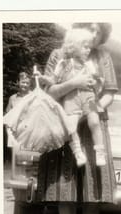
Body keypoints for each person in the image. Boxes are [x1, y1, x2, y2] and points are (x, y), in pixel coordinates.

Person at [37, 23, 118, 214]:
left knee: (93, 188)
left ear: (102, 33)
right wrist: (76, 82)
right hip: (65, 124)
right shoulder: (58, 55)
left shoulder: (102, 56)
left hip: (92, 123)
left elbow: (110, 92)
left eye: (97, 30)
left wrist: (95, 108)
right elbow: (49, 92)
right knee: (66, 186)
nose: (93, 35)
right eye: (89, 28)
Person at [40, 28, 106, 167]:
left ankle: (100, 152)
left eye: (89, 47)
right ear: (75, 47)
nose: (88, 50)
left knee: (94, 121)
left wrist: (96, 83)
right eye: (85, 47)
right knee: (71, 127)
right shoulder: (63, 64)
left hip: (89, 97)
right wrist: (44, 79)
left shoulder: (89, 65)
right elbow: (53, 80)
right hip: (71, 99)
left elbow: (99, 82)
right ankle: (77, 152)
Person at [4, 72, 32, 158]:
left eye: (27, 83)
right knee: (16, 159)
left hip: (29, 132)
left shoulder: (33, 96)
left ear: (30, 84)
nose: (25, 85)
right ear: (18, 82)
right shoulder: (12, 98)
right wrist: (8, 132)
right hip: (15, 132)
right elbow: (7, 116)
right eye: (23, 82)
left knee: (29, 159)